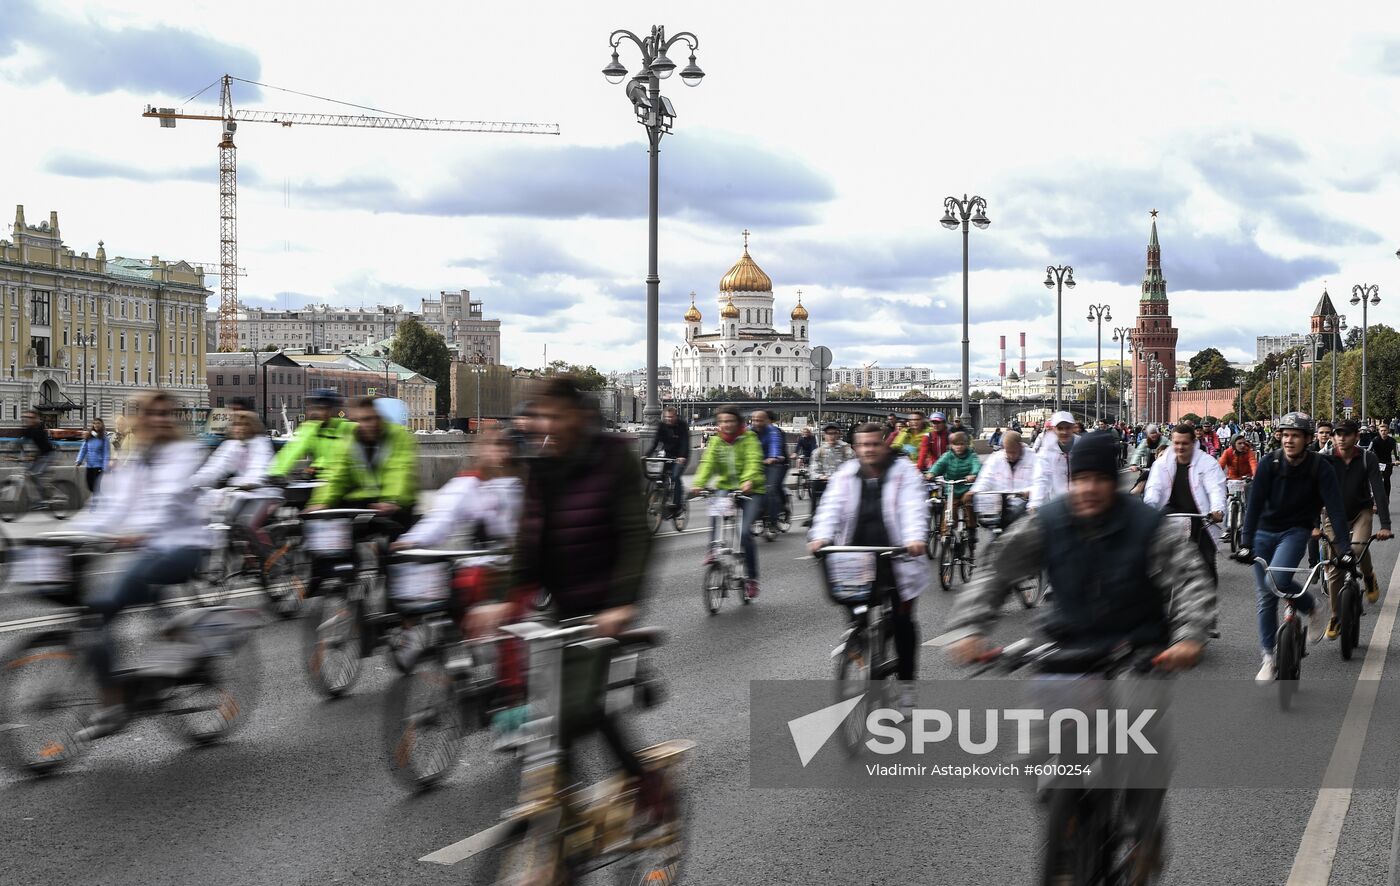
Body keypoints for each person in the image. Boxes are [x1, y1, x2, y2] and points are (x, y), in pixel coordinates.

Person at [469, 377, 661, 814]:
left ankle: (645, 784)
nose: (545, 425)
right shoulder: (543, 466)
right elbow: (529, 538)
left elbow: (636, 535)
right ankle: (562, 829)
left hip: (606, 605)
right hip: (563, 606)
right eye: (541, 416)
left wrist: (622, 603)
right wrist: (502, 597)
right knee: (555, 714)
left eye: (555, 416)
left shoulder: (613, 457)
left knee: (578, 711)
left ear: (578, 415)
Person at [946, 426, 1209, 667]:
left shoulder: (1147, 525)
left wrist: (1189, 636)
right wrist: (970, 627)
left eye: (1100, 479)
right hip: (1065, 643)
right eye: (1081, 478)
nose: (1089, 488)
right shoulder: (1048, 521)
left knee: (1134, 715)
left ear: (1113, 483)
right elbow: (997, 570)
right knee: (1049, 715)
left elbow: (1190, 578)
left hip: (1136, 649)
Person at [69, 391, 211, 739]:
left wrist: (138, 532)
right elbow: (110, 505)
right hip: (150, 548)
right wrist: (66, 533)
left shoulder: (184, 453)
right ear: (140, 418)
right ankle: (159, 663)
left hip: (184, 546)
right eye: (153, 413)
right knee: (103, 609)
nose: (160, 419)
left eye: (167, 413)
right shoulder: (136, 457)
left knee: (107, 602)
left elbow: (169, 495)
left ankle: (113, 705)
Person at [808, 422, 927, 709]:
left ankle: (906, 683)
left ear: (884, 444)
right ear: (856, 447)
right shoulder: (846, 474)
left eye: (874, 444)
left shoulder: (904, 474)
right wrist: (820, 536)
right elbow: (831, 507)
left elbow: (913, 507)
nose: (868, 450)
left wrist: (913, 539)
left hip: (896, 555)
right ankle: (859, 642)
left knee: (902, 622)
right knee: (855, 607)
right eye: (862, 445)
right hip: (857, 556)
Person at [1238, 412, 1350, 683]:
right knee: (1265, 596)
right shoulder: (1269, 463)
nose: (1289, 440)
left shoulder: (1320, 468)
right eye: (1285, 435)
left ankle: (1312, 606)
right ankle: (1269, 657)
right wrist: (1244, 542)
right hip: (1263, 532)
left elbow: (1335, 509)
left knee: (1274, 579)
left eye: (1295, 436)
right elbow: (1253, 507)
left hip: (1294, 531)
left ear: (1308, 439)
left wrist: (1345, 548)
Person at [1143, 424, 1226, 638]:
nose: (1180, 447)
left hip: (1201, 518)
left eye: (1184, 443)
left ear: (1193, 443)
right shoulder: (1162, 464)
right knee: (1158, 565)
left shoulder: (1207, 463)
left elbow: (1215, 488)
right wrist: (1149, 509)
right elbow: (1154, 490)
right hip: (1170, 518)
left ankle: (1209, 617)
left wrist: (1217, 509)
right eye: (1176, 443)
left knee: (1206, 566)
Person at [308, 396, 419, 539]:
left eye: (370, 418)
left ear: (379, 417)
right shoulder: (348, 439)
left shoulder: (397, 435)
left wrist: (391, 500)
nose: (365, 424)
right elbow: (336, 474)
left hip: (395, 503)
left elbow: (399, 469)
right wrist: (321, 503)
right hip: (363, 501)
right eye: (358, 420)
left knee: (393, 545)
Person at [1321, 420, 1393, 623]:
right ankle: (1335, 616)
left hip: (1361, 511)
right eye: (1338, 434)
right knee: (1335, 566)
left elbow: (1378, 490)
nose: (1341, 438)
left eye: (1346, 434)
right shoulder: (1326, 459)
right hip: (1334, 516)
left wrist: (1385, 526)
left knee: (1358, 548)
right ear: (1333, 437)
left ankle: (1369, 576)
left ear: (1356, 437)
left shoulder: (1366, 458)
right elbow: (1313, 490)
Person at [691, 405, 765, 598]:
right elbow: (708, 463)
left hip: (751, 490)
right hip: (726, 487)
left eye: (729, 421)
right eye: (722, 421)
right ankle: (714, 550)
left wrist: (749, 480)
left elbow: (753, 461)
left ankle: (751, 578)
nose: (725, 425)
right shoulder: (716, 442)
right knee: (716, 511)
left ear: (738, 422)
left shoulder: (749, 439)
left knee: (743, 532)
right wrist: (699, 483)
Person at [268, 388, 354, 479]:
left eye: (321, 409)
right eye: (312, 408)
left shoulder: (346, 428)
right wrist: (275, 473)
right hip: (321, 481)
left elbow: (339, 456)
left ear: (333, 410)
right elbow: (291, 451)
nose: (315, 412)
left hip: (344, 480)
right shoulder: (310, 428)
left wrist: (319, 466)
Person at [970, 429, 1033, 529]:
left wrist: (1029, 492)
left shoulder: (1033, 458)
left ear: (1020, 447)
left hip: (1024, 505)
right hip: (1000, 504)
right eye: (1008, 452)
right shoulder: (996, 458)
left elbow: (1040, 481)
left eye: (1014, 452)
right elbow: (986, 477)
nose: (1011, 456)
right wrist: (975, 491)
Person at [928, 431, 982, 547]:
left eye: (962, 444)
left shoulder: (971, 455)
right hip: (951, 489)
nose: (959, 447)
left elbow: (977, 465)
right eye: (955, 444)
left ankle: (971, 528)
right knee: (949, 510)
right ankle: (946, 534)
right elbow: (938, 465)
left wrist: (973, 474)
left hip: (966, 488)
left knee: (968, 502)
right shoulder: (947, 456)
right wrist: (931, 473)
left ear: (967, 445)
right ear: (951, 445)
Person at [646, 406, 691, 518]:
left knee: (675, 476)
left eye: (671, 417)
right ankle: (661, 499)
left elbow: (685, 443)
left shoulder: (682, 425)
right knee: (659, 477)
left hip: (681, 456)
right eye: (666, 417)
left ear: (676, 416)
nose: (669, 419)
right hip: (667, 455)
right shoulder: (661, 426)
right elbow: (655, 443)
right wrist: (646, 455)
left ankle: (677, 506)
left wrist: (682, 457)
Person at [806, 423, 853, 527]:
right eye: (829, 433)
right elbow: (813, 469)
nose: (831, 436)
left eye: (834, 433)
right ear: (824, 435)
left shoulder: (846, 449)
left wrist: (841, 477)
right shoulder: (818, 451)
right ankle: (813, 516)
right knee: (814, 484)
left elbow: (853, 467)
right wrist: (821, 476)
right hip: (825, 481)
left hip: (842, 483)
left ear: (838, 435)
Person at [750, 409, 788, 533]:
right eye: (754, 420)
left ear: (766, 421)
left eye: (760, 420)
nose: (756, 423)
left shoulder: (773, 431)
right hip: (755, 463)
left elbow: (775, 445)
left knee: (770, 490)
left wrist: (773, 457)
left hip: (772, 463)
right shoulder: (748, 431)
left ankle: (773, 521)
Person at [1029, 411, 1077, 510]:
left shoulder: (1082, 446)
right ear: (1054, 429)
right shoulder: (1046, 451)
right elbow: (1041, 478)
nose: (1064, 432)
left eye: (1068, 428)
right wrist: (1035, 503)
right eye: (1060, 428)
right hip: (1056, 503)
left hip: (1079, 503)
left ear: (1073, 428)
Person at [74, 417, 111, 495]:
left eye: (98, 423)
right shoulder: (89, 437)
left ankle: (96, 504)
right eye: (94, 423)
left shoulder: (104, 438)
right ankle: (101, 501)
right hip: (89, 466)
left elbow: (106, 453)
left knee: (96, 488)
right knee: (90, 486)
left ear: (102, 425)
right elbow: (83, 449)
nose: (96, 425)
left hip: (99, 466)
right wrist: (79, 461)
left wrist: (105, 467)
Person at [17, 408, 56, 477]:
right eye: (25, 417)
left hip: (47, 454)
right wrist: (9, 454)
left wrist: (32, 457)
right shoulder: (28, 429)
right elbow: (20, 442)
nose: (27, 419)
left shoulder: (39, 429)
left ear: (35, 419)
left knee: (36, 474)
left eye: (30, 417)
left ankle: (42, 487)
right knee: (29, 472)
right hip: (40, 454)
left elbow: (43, 448)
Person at [1372, 422, 1398, 498]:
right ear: (1379, 431)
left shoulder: (1392, 440)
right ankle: (1375, 498)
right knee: (1376, 480)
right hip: (1377, 462)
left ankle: (1386, 498)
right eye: (1381, 430)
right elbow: (1369, 450)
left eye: (1385, 430)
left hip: (1388, 463)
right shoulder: (1375, 440)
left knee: (1386, 479)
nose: (1383, 432)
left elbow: (1396, 450)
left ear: (1388, 431)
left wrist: (1397, 459)